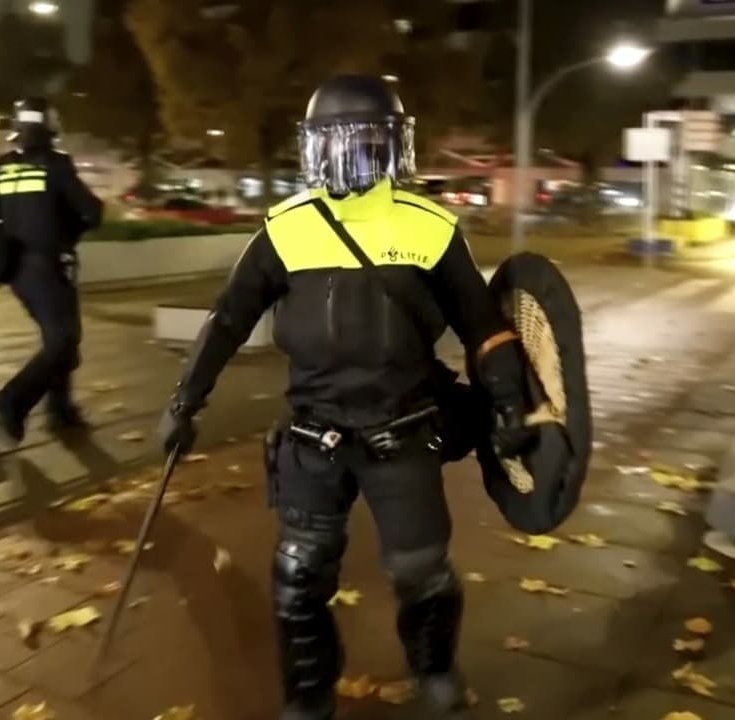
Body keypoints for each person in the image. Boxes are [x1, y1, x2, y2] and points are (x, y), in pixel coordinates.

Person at [158, 75, 534, 719]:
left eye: (367, 145)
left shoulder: (431, 228)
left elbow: (484, 327)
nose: (353, 159)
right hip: (314, 438)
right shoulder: (284, 229)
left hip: (405, 431)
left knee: (423, 572)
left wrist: (508, 405)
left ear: (392, 149)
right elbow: (228, 319)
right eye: (341, 145)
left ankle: (434, 668)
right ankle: (307, 697)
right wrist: (184, 401)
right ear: (316, 151)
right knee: (298, 581)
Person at [0, 97, 103, 442]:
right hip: (48, 266)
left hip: (17, 271)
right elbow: (91, 211)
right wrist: (70, 231)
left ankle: (61, 411)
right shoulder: (55, 166)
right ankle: (11, 401)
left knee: (58, 337)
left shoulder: (1, 170)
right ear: (49, 129)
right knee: (63, 341)